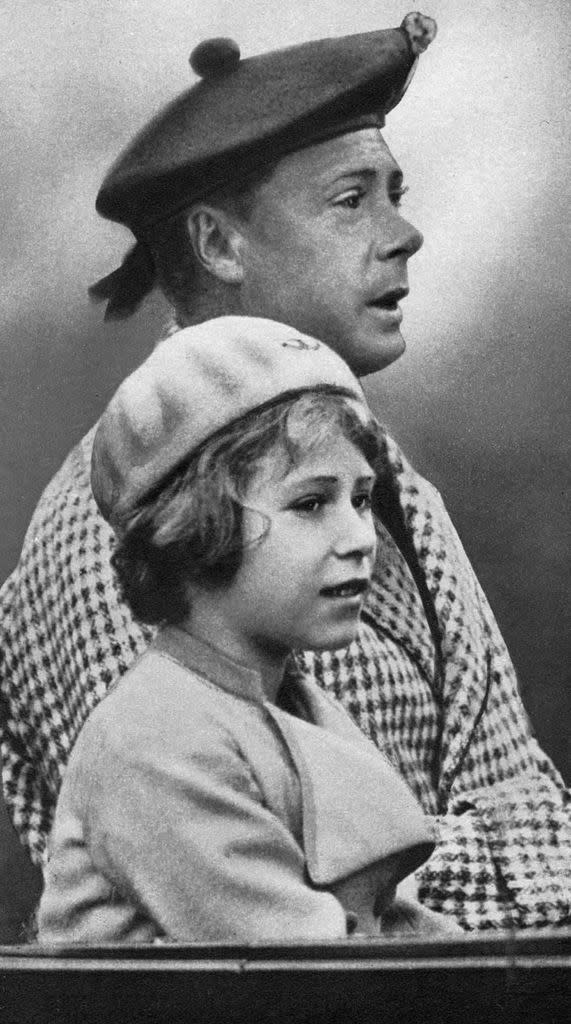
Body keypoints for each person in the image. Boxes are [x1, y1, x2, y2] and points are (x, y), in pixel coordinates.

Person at [1, 13, 570, 932]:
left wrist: (462, 854)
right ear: (221, 246)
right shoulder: (128, 514)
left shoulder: (389, 486)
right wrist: (492, 862)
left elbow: (524, 796)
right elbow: (259, 878)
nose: (405, 233)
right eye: (352, 200)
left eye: (397, 192)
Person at [37, 315, 456, 943]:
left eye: (362, 500)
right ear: (195, 528)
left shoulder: (293, 705)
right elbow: (303, 971)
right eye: (312, 503)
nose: (361, 537)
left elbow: (389, 928)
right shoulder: (155, 738)